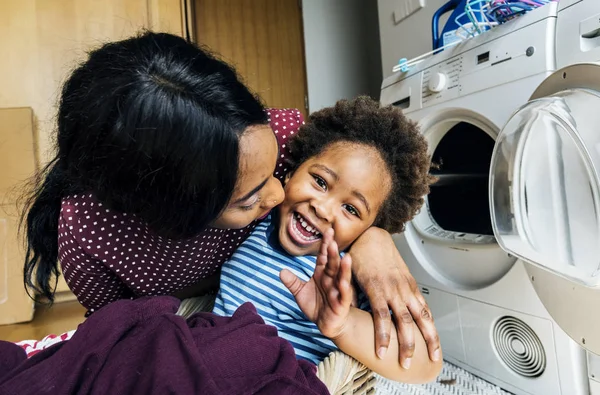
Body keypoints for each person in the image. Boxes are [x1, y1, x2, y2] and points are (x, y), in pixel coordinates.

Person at [21, 31, 440, 367]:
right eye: (250, 197)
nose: (278, 193)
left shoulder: (285, 137)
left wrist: (374, 241)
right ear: (178, 217)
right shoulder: (91, 238)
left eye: (277, 170)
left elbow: (362, 187)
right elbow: (128, 342)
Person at [213, 97, 442, 382]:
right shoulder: (261, 217)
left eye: (351, 209)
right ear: (291, 171)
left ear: (369, 229)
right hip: (210, 362)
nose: (322, 208)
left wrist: (343, 323)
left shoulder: (346, 274)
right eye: (320, 181)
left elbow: (425, 365)